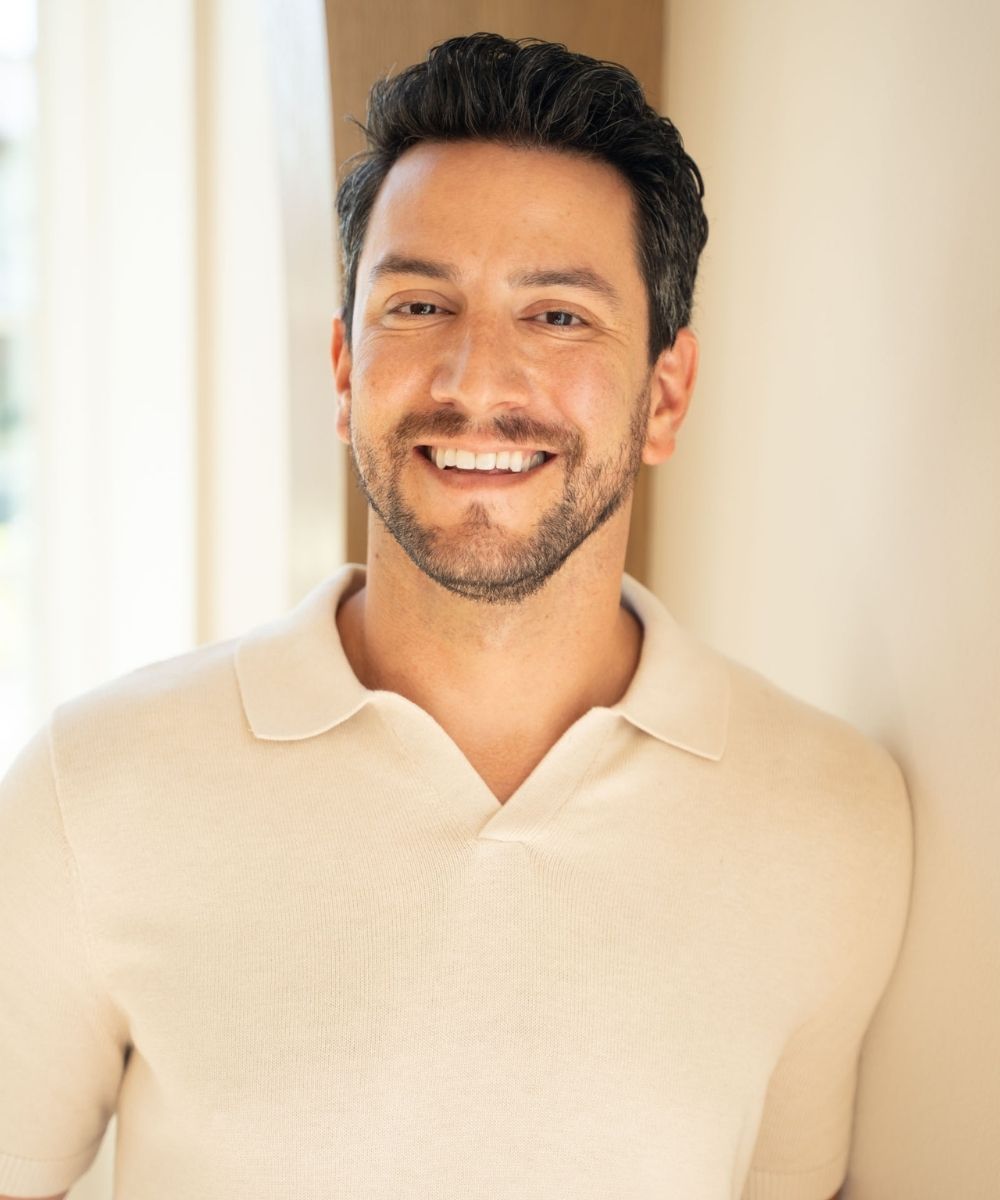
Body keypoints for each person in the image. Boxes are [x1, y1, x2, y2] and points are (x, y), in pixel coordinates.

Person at [0, 32, 912, 1200]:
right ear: (343, 371)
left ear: (663, 396)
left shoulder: (835, 823)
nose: (476, 383)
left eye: (558, 317)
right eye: (421, 304)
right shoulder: (94, 792)